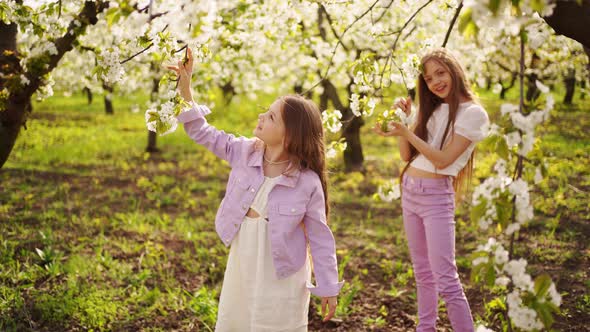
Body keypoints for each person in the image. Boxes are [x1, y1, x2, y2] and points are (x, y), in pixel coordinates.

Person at [166, 48, 344, 332]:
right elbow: (203, 132)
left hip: (283, 269)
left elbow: (321, 238)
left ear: (290, 136)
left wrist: (328, 286)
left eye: (272, 117)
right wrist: (186, 89)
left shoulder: (307, 182)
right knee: (239, 318)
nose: (262, 116)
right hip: (245, 255)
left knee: (273, 322)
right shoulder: (244, 151)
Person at [373, 48, 489, 332]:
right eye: (428, 78)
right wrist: (404, 123)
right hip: (410, 191)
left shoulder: (473, 113)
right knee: (423, 274)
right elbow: (406, 155)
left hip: (436, 197)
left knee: (446, 278)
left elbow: (443, 159)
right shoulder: (437, 109)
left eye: (440, 72)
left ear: (454, 71)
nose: (435, 81)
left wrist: (408, 132)